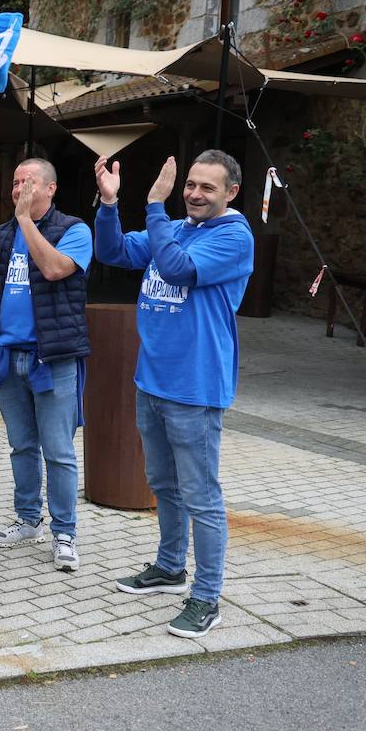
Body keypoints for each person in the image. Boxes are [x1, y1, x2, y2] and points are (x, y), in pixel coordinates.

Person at [94, 150, 254, 638]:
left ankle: (206, 598)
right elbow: (115, 253)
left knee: (201, 497)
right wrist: (107, 206)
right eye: (190, 184)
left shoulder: (234, 236)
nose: (195, 194)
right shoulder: (178, 227)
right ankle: (169, 567)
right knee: (162, 483)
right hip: (153, 380)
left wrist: (156, 205)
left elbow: (179, 269)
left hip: (196, 387)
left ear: (231, 193)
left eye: (208, 187)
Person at [0, 159, 92, 572]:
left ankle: (65, 533)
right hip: (8, 357)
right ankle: (27, 518)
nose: (20, 187)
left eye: (29, 181)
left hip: (52, 357)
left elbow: (56, 269)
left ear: (51, 189)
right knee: (21, 445)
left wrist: (25, 221)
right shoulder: (1, 234)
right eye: (16, 180)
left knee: (58, 451)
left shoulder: (75, 230)